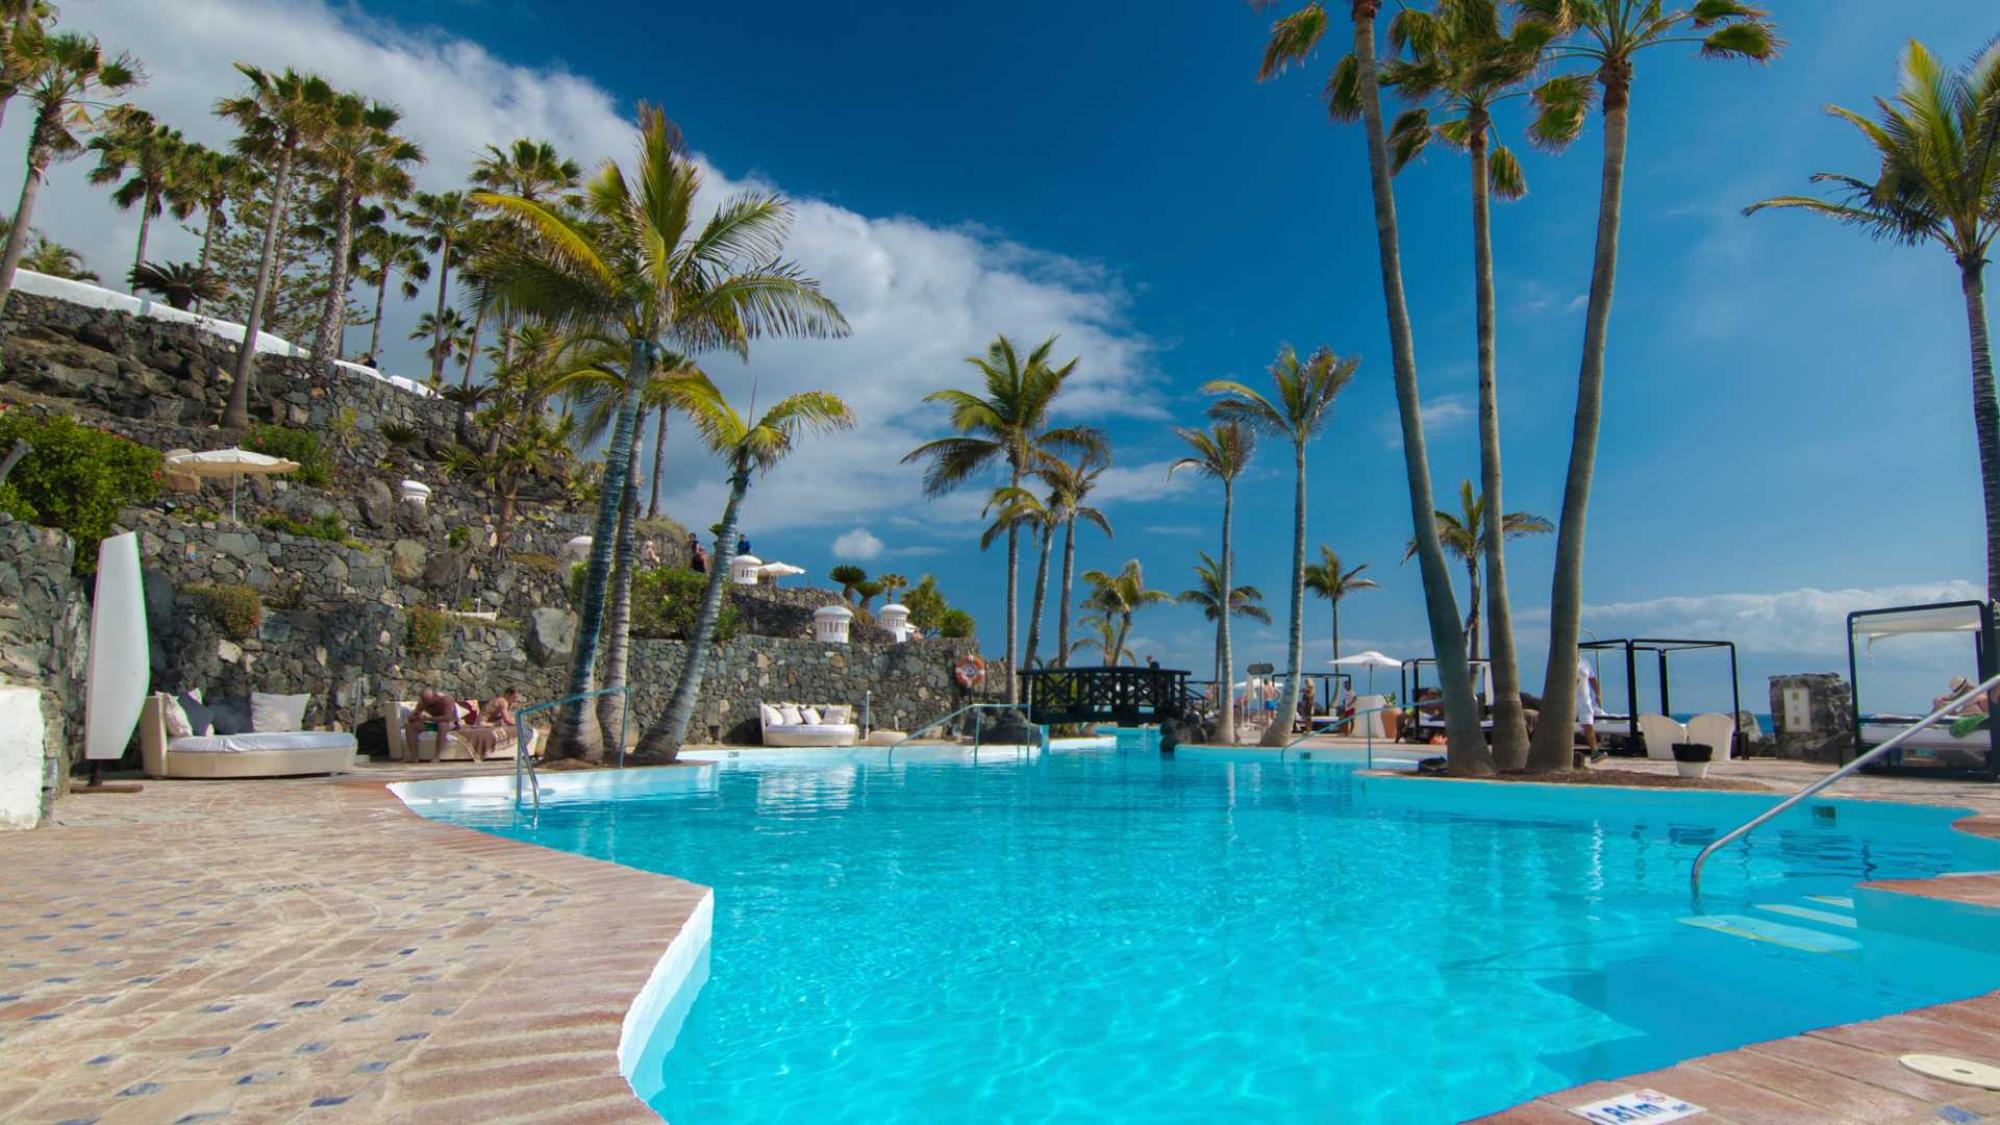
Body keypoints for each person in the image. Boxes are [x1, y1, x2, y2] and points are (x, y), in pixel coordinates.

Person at [405, 688, 461, 763]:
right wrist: (415, 716)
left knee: (442, 725)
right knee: (410, 726)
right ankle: (413, 756)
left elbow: (448, 718)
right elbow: (411, 718)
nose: (426, 703)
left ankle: (437, 756)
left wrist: (428, 718)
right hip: (434, 724)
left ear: (435, 696)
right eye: (424, 700)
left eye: (428, 701)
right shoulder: (423, 703)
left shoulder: (446, 700)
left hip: (450, 724)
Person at [1576, 654, 1603, 762]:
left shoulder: (1585, 662)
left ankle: (1595, 752)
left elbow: (1592, 679)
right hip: (1568, 701)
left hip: (1584, 700)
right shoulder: (1564, 662)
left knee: (1588, 724)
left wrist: (1598, 694)